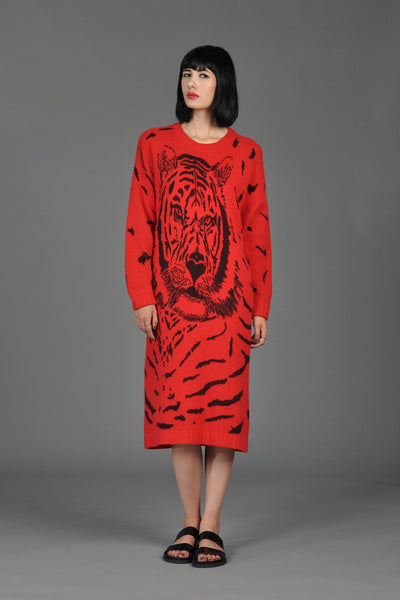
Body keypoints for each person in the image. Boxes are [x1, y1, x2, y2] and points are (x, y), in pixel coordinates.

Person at [124, 45, 272, 568]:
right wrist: (142, 295)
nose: (193, 82)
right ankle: (189, 522)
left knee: (222, 416)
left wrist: (261, 305)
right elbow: (140, 222)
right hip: (170, 303)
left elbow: (255, 231)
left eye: (204, 74)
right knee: (180, 416)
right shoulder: (154, 144)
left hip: (229, 304)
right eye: (187, 73)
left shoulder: (246, 152)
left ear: (221, 84)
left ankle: (212, 526)